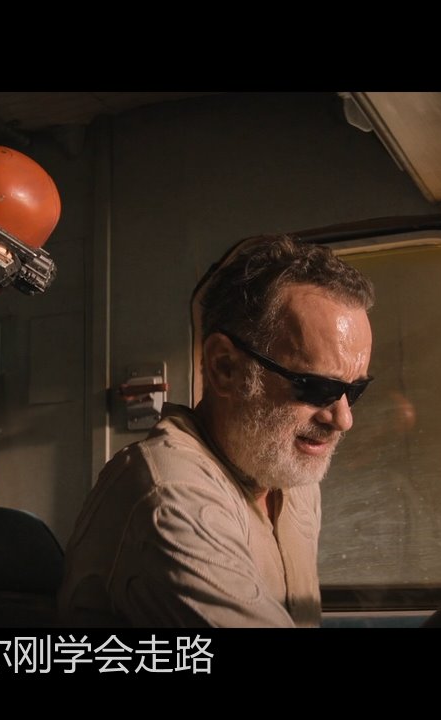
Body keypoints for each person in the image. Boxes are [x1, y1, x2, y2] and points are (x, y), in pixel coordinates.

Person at [58, 234, 374, 627]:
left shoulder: (291, 478)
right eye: (317, 387)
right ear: (225, 367)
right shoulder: (170, 495)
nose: (343, 419)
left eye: (355, 390)